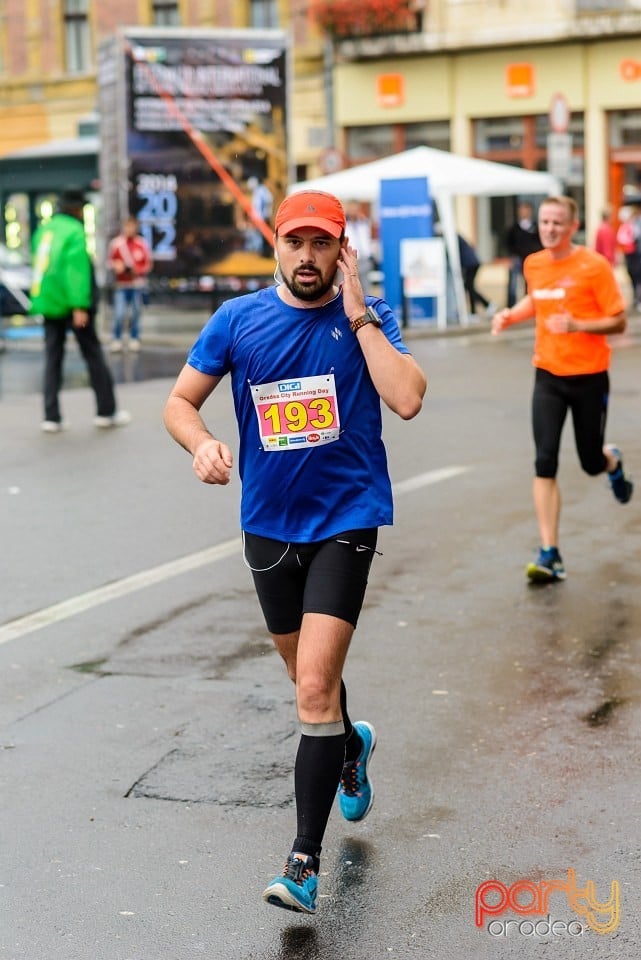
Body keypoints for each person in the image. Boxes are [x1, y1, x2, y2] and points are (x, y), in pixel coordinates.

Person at [163, 189, 426, 914]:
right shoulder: (238, 319)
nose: (306, 257)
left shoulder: (366, 319)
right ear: (275, 245)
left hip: (347, 517)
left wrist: (360, 310)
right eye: (294, 243)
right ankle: (350, 745)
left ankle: (303, 862)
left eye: (322, 244)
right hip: (268, 524)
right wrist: (203, 442)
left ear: (342, 250)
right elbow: (178, 402)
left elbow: (406, 398)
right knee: (304, 676)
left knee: (313, 687)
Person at [492, 195, 633, 584]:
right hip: (548, 376)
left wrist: (580, 326)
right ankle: (550, 552)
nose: (549, 229)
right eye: (544, 222)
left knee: (590, 462)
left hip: (589, 376)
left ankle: (612, 462)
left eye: (557, 223)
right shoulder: (534, 264)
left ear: (573, 227)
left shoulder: (593, 266)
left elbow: (619, 321)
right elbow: (536, 300)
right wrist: (510, 315)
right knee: (545, 461)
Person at [29, 190, 131, 433]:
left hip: (49, 304)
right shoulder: (73, 231)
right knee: (93, 354)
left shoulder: (45, 230)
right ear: (75, 209)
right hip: (73, 305)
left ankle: (51, 416)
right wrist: (80, 306)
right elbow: (76, 272)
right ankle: (106, 411)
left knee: (53, 358)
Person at [106, 215, 153, 351]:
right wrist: (117, 266)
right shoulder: (117, 244)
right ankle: (116, 338)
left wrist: (137, 270)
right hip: (121, 285)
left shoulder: (142, 243)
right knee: (119, 314)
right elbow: (110, 262)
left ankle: (134, 337)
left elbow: (148, 264)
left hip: (137, 284)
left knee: (136, 313)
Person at [505, 201, 542, 307]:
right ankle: (511, 306)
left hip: (532, 259)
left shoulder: (536, 227)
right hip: (517, 259)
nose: (524, 212)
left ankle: (530, 305)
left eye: (526, 210)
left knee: (531, 283)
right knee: (513, 284)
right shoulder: (514, 228)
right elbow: (508, 243)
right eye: (521, 210)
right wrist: (511, 257)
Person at [458, 233, 496, 317]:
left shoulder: (454, 238)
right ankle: (480, 308)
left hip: (470, 264)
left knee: (469, 287)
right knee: (469, 287)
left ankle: (481, 308)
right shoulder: (457, 236)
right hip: (471, 263)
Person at [344, 200, 375, 294]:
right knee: (348, 287)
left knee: (365, 288)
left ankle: (365, 307)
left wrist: (370, 254)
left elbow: (368, 239)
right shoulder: (344, 224)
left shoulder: (364, 222)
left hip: (364, 259)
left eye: (355, 207)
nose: (353, 210)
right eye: (351, 207)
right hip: (348, 259)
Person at [244, 176, 274, 256]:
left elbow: (268, 200)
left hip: (263, 217)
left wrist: (267, 213)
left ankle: (266, 253)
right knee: (260, 235)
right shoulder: (257, 192)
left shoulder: (261, 190)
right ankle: (262, 251)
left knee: (264, 236)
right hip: (259, 218)